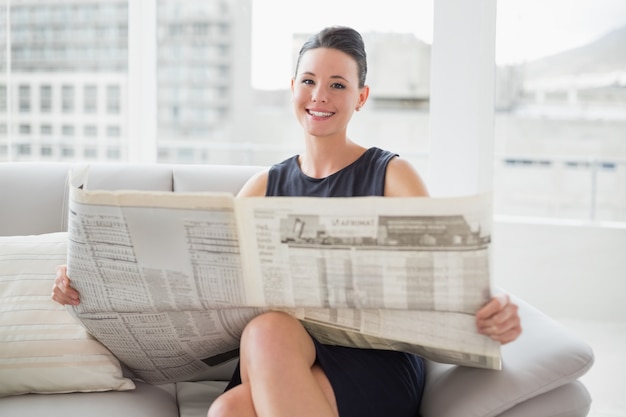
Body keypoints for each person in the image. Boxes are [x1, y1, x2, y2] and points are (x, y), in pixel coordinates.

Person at [53, 26, 522, 417]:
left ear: (361, 97)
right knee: (235, 390)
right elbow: (206, 288)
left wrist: (492, 301)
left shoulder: (391, 174)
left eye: (338, 84)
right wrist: (90, 284)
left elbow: (445, 267)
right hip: (279, 356)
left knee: (255, 354)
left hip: (372, 362)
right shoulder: (262, 186)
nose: (320, 96)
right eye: (309, 81)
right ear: (292, 88)